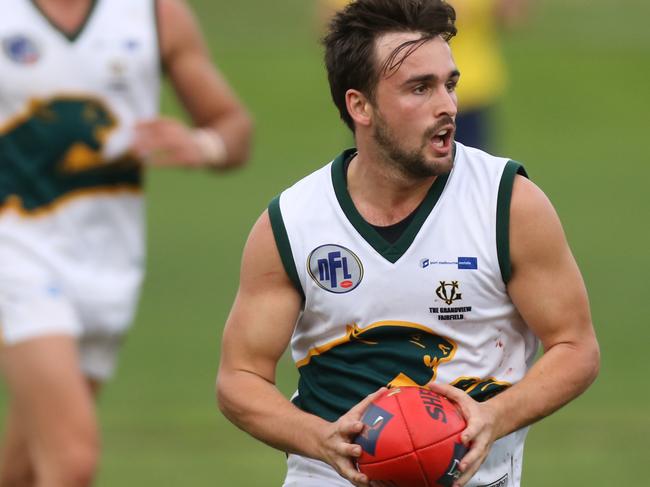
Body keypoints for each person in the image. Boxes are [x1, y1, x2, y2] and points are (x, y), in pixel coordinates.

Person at [217, 1, 598, 486]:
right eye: (421, 88)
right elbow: (239, 378)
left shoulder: (509, 205)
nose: (448, 106)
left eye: (450, 84)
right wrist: (318, 438)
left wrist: (495, 417)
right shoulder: (293, 223)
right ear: (360, 106)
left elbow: (576, 346)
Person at [0, 0, 252, 485]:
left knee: (28, 464)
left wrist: (202, 145)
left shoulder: (155, 14)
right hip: (17, 252)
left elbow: (232, 127)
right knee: (72, 461)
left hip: (109, 264)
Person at [318, 0, 528, 152]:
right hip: (392, 96)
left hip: (466, 96)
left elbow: (511, 18)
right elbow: (332, 25)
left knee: (471, 192)